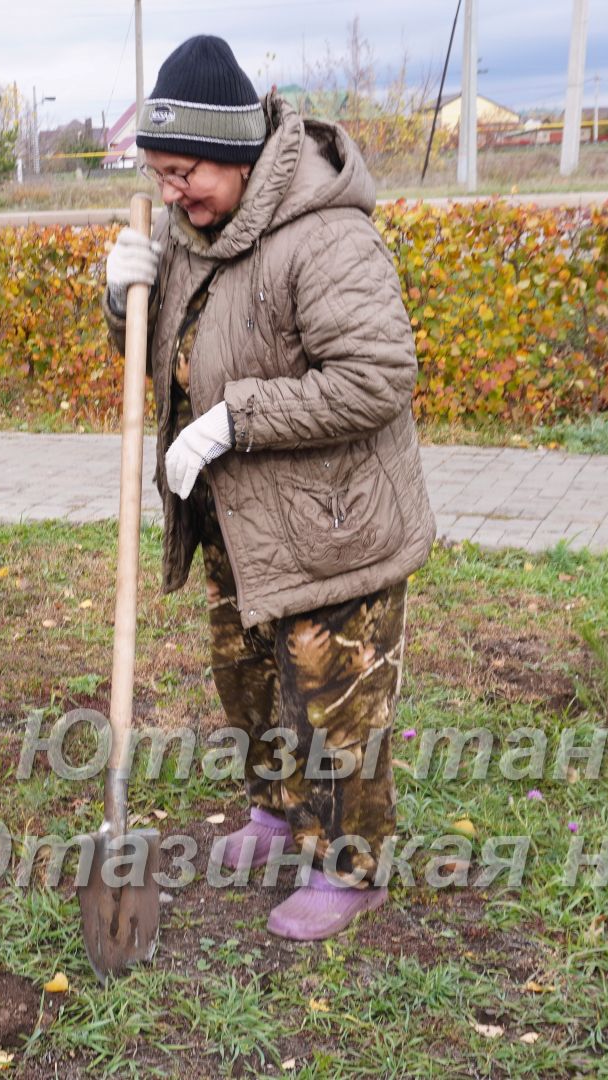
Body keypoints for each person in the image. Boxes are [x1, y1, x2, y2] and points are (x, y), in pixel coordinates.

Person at [103, 35, 436, 940]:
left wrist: (232, 420)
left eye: (186, 174)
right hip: (243, 525)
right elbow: (160, 353)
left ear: (238, 153)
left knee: (333, 702)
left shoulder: (325, 233)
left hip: (337, 526)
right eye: (161, 174)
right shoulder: (190, 232)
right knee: (249, 682)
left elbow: (376, 376)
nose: (172, 193)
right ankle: (279, 814)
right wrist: (118, 298)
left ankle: (351, 864)